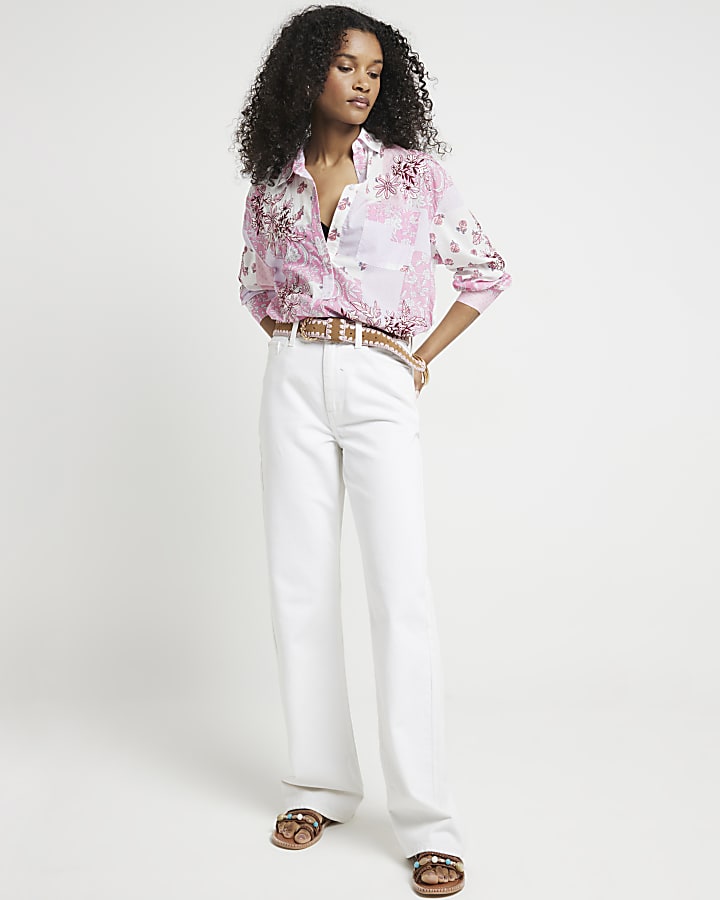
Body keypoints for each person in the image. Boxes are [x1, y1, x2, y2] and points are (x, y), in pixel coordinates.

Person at [231, 5, 511, 895]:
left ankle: (428, 821)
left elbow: (485, 272)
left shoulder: (413, 176)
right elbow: (255, 288)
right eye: (347, 65)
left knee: (401, 593)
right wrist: (300, 348)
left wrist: (417, 360)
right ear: (307, 69)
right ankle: (321, 785)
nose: (362, 82)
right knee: (299, 586)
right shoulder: (273, 183)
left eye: (376, 70)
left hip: (380, 375)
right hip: (291, 378)